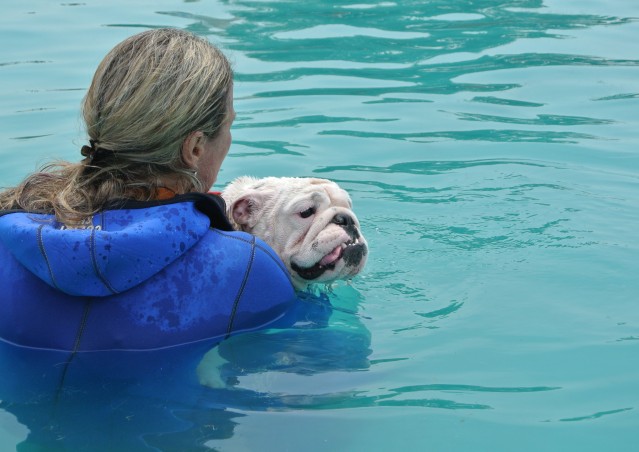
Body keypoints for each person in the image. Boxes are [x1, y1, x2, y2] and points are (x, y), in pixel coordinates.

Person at [0, 28, 296, 399]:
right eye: (229, 126)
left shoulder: (8, 235)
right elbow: (308, 368)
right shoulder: (248, 269)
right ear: (194, 148)